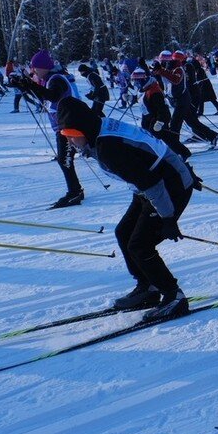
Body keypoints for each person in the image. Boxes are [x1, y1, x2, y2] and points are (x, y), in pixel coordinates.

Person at [56, 97, 199, 320]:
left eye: (71, 135)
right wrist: (180, 165)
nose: (70, 141)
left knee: (140, 245)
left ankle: (174, 296)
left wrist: (168, 218)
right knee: (123, 233)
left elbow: (152, 183)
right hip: (153, 183)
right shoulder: (99, 132)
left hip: (168, 186)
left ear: (83, 128)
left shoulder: (108, 148)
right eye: (66, 136)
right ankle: (148, 287)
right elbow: (147, 148)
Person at [12, 51, 85, 207]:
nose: (34, 71)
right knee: (65, 160)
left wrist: (29, 84)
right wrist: (23, 85)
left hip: (68, 126)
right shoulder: (48, 79)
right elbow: (44, 97)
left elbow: (52, 96)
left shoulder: (56, 79)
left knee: (65, 160)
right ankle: (76, 190)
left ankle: (75, 192)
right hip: (63, 126)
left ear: (44, 67)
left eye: (35, 67)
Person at [155, 50, 218, 148]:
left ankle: (174, 146)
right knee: (192, 122)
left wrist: (161, 70)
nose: (164, 63)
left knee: (175, 123)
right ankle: (212, 135)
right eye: (162, 60)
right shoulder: (167, 68)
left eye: (165, 60)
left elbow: (175, 80)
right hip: (176, 100)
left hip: (182, 100)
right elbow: (157, 76)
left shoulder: (178, 69)